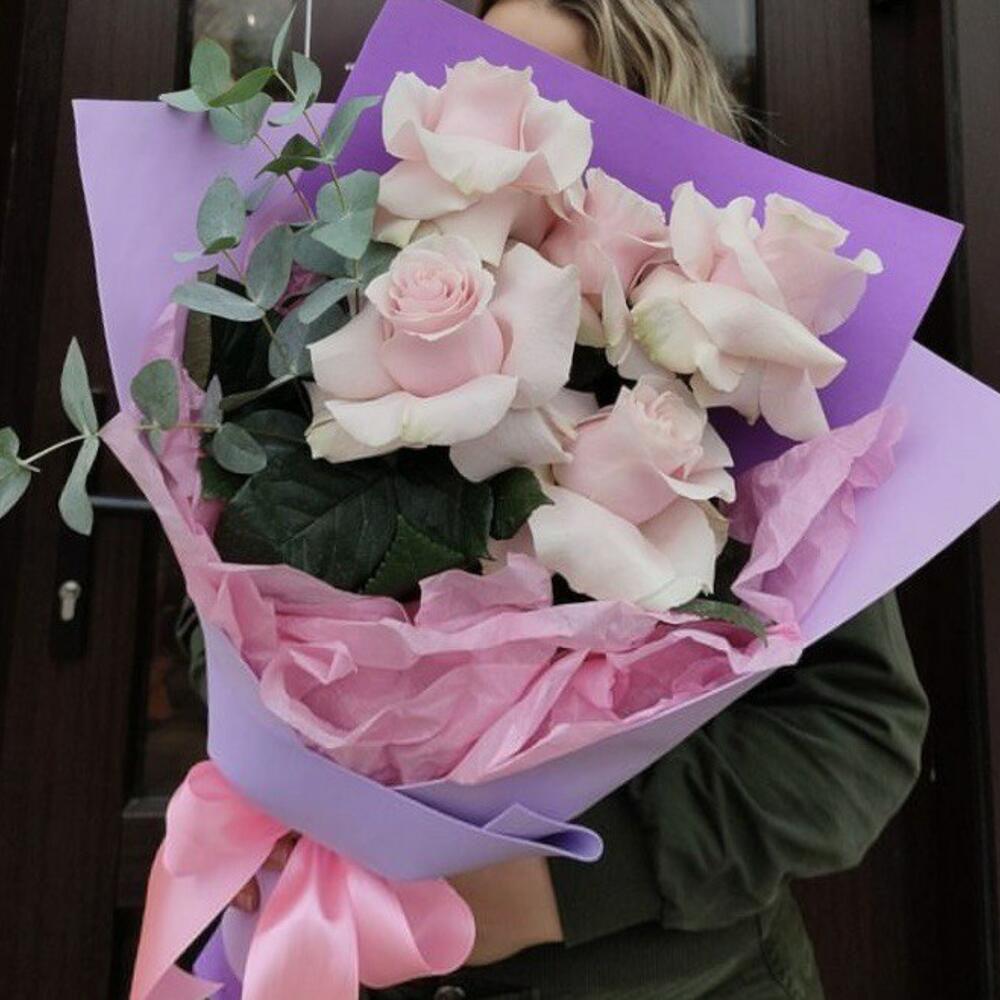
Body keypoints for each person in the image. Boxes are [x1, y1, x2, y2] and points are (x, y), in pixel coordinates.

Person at [234, 3, 929, 997]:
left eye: (558, 104)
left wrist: (567, 883)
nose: (505, 149)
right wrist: (265, 789)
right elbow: (232, 599)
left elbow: (853, 730)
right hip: (364, 953)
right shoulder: (335, 326)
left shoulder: (750, 403)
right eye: (482, 82)